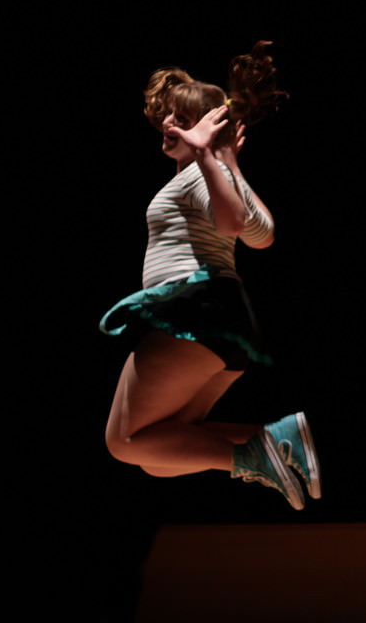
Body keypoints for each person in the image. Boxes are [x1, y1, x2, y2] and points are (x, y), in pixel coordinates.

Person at [100, 41, 321, 510]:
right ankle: (274, 439)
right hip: (226, 320)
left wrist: (209, 158)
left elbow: (238, 226)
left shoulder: (200, 174)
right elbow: (264, 235)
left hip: (194, 312)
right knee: (160, 452)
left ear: (207, 127)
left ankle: (257, 455)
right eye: (168, 115)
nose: (168, 123)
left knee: (124, 441)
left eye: (181, 118)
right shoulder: (214, 173)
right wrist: (228, 165)